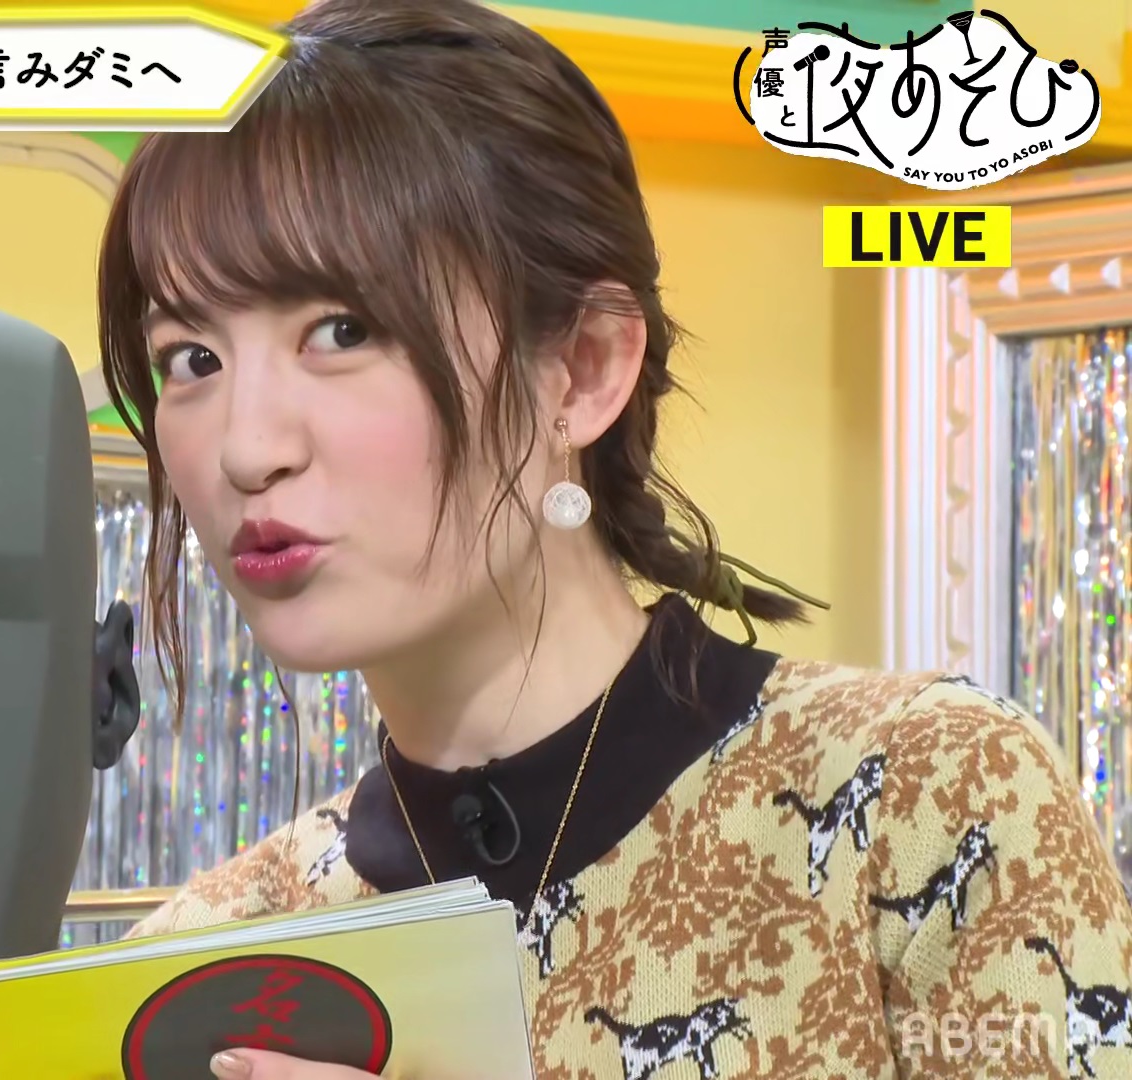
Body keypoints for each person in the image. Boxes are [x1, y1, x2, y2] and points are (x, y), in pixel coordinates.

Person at [95, 1, 1132, 1078]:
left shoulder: (928, 797)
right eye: (192, 359)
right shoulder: (206, 959)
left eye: (341, 332)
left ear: (584, 370)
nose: (246, 449)